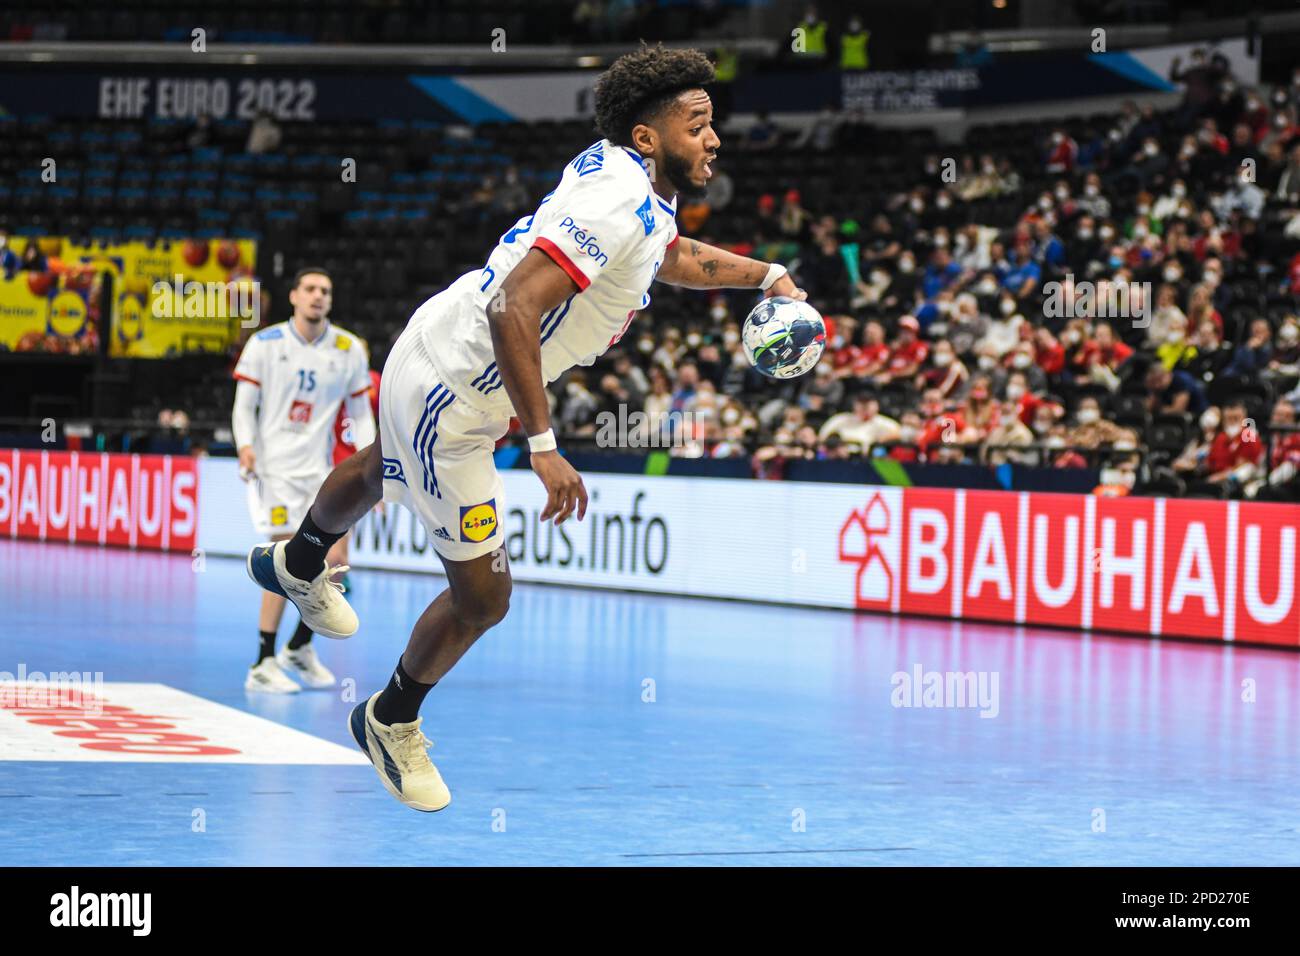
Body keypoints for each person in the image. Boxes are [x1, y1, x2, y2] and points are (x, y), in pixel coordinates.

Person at [245, 45, 808, 812]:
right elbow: (513, 306)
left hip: (439, 342)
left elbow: (664, 254)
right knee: (484, 598)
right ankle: (388, 718)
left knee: (384, 463)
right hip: (456, 394)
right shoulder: (617, 198)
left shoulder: (635, 185)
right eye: (698, 124)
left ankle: (300, 557)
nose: (715, 139)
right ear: (648, 136)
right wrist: (544, 447)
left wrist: (765, 276)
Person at [232, 268, 375, 693]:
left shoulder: (349, 348)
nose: (318, 296)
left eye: (325, 291)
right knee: (286, 563)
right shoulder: (265, 343)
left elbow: (361, 413)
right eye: (310, 289)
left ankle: (299, 646)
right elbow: (244, 406)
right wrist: (245, 446)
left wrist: (374, 466)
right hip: (274, 469)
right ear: (294, 296)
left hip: (321, 471)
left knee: (336, 562)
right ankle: (263, 660)